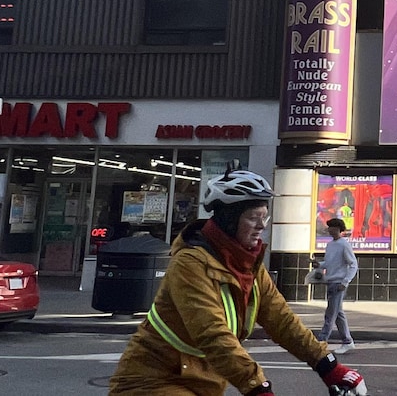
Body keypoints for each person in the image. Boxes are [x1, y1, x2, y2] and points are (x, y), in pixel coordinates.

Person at [108, 167, 366, 396]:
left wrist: (328, 365)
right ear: (229, 220)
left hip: (202, 383)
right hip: (150, 381)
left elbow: (281, 320)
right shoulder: (190, 263)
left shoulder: (247, 265)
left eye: (264, 218)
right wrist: (258, 386)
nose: (261, 226)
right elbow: (212, 333)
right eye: (253, 217)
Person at [317, 217, 359, 353]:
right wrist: (319, 264)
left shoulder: (344, 244)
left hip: (338, 283)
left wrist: (345, 281)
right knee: (338, 313)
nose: (329, 230)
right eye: (329, 227)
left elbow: (353, 265)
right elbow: (329, 263)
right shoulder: (330, 245)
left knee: (330, 314)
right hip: (331, 282)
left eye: (332, 227)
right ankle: (347, 341)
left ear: (338, 229)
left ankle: (321, 341)